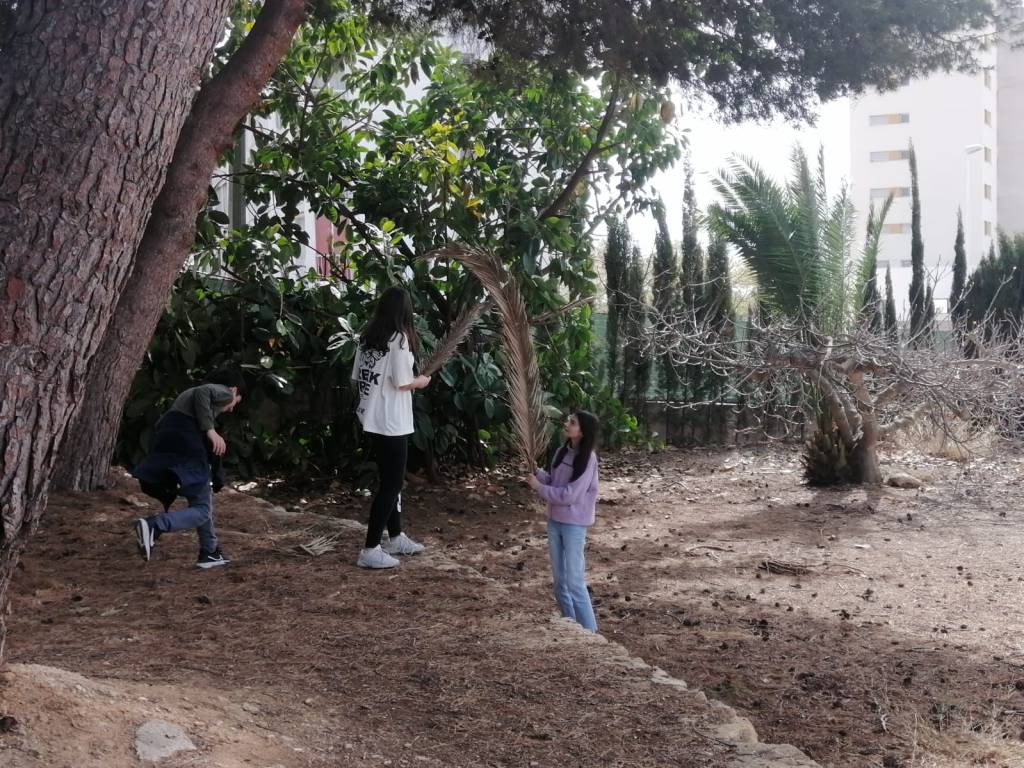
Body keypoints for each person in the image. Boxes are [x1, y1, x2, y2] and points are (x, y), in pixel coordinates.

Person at [351, 286, 431, 569]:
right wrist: (422, 381)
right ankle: (370, 548)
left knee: (390, 480)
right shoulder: (398, 339)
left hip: (371, 416)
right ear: (405, 310)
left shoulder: (367, 337)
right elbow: (402, 381)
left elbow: (356, 377)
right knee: (392, 484)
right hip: (392, 421)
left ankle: (395, 537)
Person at [131, 369, 243, 568]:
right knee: (202, 510)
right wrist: (210, 430)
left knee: (201, 501)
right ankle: (155, 525)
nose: (231, 408)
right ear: (233, 390)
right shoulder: (223, 392)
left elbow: (164, 424)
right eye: (236, 402)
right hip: (186, 442)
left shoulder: (187, 403)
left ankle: (210, 551)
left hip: (170, 438)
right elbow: (203, 392)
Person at [526, 411, 600, 632]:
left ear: (583, 431)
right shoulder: (561, 451)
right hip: (554, 521)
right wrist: (537, 473)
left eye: (572, 422)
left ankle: (590, 633)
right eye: (568, 420)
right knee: (559, 582)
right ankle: (572, 628)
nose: (567, 424)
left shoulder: (588, 459)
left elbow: (570, 495)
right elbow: (554, 481)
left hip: (573, 525)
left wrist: (539, 488)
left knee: (574, 582)